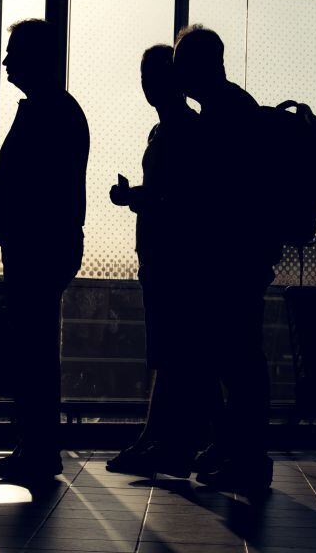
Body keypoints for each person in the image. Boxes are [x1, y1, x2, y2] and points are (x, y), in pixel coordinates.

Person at [171, 25, 279, 496]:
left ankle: (247, 456)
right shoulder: (237, 108)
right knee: (237, 357)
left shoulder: (221, 116)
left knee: (235, 359)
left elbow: (212, 195)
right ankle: (238, 451)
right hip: (242, 256)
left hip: (227, 259)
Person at [0, 19, 89, 481]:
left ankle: (37, 449)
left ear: (37, 57)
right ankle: (34, 446)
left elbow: (37, 186)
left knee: (35, 350)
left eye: (14, 51)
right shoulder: (57, 110)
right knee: (35, 348)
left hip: (36, 245)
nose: (6, 61)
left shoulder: (49, 113)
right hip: (42, 243)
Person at [106, 44, 218, 478]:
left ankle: (163, 442)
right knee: (179, 352)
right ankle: (171, 441)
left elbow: (179, 199)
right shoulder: (178, 128)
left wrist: (136, 197)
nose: (146, 85)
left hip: (171, 257)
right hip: (170, 255)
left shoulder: (177, 131)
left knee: (172, 351)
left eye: (150, 77)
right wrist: (140, 197)